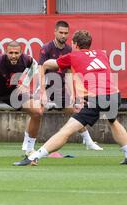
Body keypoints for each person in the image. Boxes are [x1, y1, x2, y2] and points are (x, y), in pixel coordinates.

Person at [13, 30, 127, 166]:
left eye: (72, 42)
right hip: (114, 95)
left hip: (96, 98)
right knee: (113, 121)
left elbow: (49, 64)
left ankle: (34, 157)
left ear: (75, 44)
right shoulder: (102, 54)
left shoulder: (72, 56)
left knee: (66, 131)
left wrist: (44, 67)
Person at [32, 20, 102, 151]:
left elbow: (70, 73)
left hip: (61, 88)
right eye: (61, 32)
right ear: (55, 32)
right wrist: (42, 93)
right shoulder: (46, 48)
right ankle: (28, 146)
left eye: (66, 33)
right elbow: (40, 69)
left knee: (75, 112)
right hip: (46, 86)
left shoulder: (70, 49)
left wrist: (73, 95)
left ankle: (88, 142)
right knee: (36, 112)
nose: (63, 35)